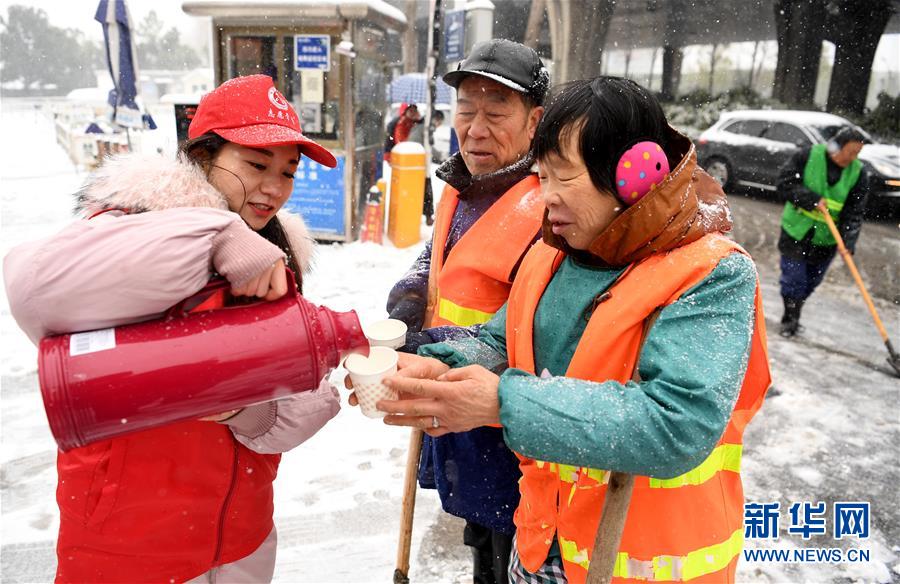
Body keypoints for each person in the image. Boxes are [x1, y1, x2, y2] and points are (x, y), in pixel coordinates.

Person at [373, 77, 772, 583]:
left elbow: (678, 424)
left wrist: (503, 403)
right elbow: (502, 341)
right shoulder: (551, 254)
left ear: (636, 174)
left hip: (646, 567)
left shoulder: (711, 274)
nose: (547, 198)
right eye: (542, 177)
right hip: (542, 543)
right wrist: (441, 366)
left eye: (565, 178)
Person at [3, 75, 341, 583]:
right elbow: (32, 287)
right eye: (255, 165)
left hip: (241, 539)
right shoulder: (125, 224)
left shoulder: (275, 256)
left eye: (288, 172)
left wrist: (243, 408)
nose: (275, 186)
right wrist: (216, 232)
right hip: (128, 545)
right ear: (202, 156)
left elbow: (304, 402)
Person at [384, 39, 549, 584]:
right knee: (478, 529)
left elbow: (540, 326)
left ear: (535, 121)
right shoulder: (464, 182)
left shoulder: (550, 207)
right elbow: (439, 254)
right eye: (466, 110)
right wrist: (411, 292)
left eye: (496, 113)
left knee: (510, 541)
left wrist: (431, 348)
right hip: (451, 400)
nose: (475, 128)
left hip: (506, 419)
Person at [776, 126, 870, 337]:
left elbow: (854, 212)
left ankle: (794, 312)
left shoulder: (858, 173)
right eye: (851, 152)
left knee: (811, 282)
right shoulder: (808, 156)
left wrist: (848, 242)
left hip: (826, 238)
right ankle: (790, 320)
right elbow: (784, 183)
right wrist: (811, 199)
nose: (854, 157)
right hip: (796, 230)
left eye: (858, 153)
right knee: (794, 279)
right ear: (837, 146)